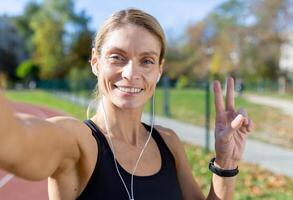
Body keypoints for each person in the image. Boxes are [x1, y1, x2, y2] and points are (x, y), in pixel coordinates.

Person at [0, 8, 253, 200]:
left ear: (159, 70)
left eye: (146, 61)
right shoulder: (77, 141)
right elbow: (14, 141)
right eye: (117, 57)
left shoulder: (169, 143)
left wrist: (225, 162)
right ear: (95, 62)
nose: (131, 73)